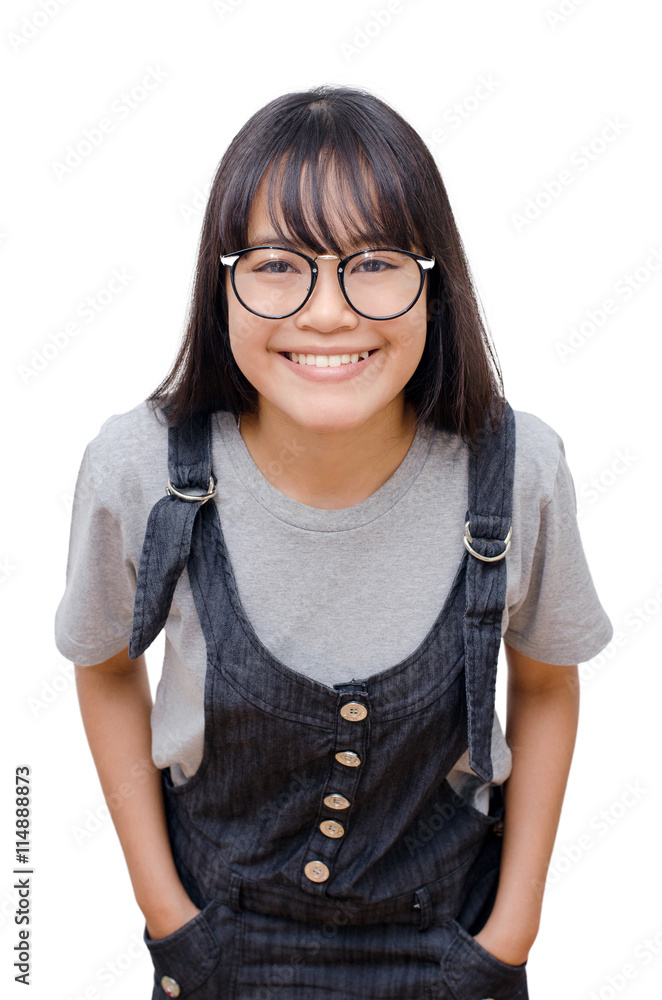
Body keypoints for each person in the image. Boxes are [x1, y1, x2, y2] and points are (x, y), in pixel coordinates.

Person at [55, 84, 613, 1000]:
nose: (327, 312)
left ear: (433, 278)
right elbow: (101, 662)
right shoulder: (139, 466)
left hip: (453, 944)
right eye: (278, 264)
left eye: (375, 262)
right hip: (217, 943)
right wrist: (167, 917)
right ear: (219, 279)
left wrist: (512, 935)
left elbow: (547, 683)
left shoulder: (516, 471)